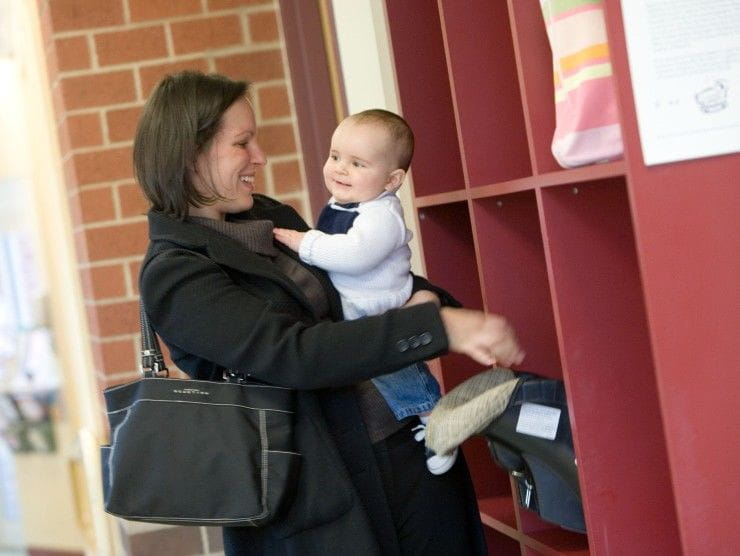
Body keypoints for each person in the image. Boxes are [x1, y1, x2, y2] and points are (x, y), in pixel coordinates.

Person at [133, 70, 525, 555]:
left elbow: (353, 291)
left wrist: (428, 301)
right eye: (242, 143)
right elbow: (294, 354)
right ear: (190, 153)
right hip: (324, 511)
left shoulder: (269, 217)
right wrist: (433, 327)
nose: (259, 157)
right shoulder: (175, 274)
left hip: (407, 457)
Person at [273, 109, 456, 475]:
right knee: (379, 370)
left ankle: (437, 419)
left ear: (391, 180)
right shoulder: (346, 202)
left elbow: (355, 255)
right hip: (355, 304)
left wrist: (303, 242)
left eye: (357, 163)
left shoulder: (381, 215)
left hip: (377, 305)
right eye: (335, 156)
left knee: (393, 369)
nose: (340, 169)